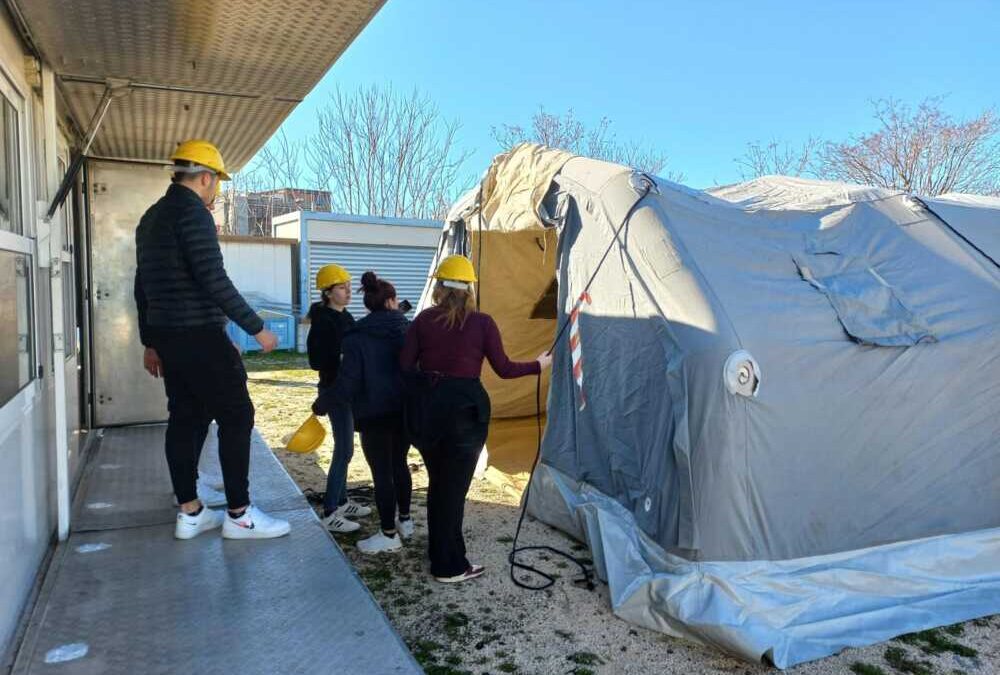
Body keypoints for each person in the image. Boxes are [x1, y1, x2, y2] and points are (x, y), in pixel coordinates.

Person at [134, 139, 290, 540]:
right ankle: (239, 515)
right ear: (206, 178)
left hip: (169, 337)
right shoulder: (194, 215)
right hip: (199, 335)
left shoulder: (151, 218)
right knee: (237, 416)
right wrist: (256, 327)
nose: (216, 191)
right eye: (216, 182)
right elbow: (213, 278)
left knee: (186, 418)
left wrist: (150, 341)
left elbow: (143, 287)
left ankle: (190, 511)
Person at [400, 254, 552, 582]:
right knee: (452, 491)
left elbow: (404, 366)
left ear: (439, 288)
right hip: (466, 415)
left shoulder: (423, 321)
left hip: (428, 413)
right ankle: (450, 566)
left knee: (440, 486)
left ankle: (442, 554)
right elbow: (505, 368)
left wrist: (431, 382)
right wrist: (538, 365)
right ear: (470, 289)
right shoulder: (482, 323)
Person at [313, 272, 413, 554]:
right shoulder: (408, 330)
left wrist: (323, 404)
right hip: (403, 412)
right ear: (392, 302)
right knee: (400, 464)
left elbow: (347, 383)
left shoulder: (356, 336)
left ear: (367, 305)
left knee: (382, 473)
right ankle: (405, 520)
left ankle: (388, 534)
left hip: (373, 416)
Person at [307, 263, 372, 533]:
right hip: (335, 391)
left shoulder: (346, 317)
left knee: (347, 449)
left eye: (348, 287)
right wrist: (341, 356)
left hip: (349, 390)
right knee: (343, 450)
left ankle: (343, 501)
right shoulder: (323, 322)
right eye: (342, 288)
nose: (348, 292)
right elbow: (315, 361)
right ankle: (331, 510)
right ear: (328, 292)